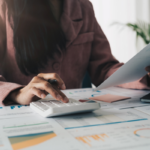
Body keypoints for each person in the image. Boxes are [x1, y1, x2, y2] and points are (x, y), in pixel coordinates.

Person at [0, 0, 149, 106]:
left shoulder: (83, 7)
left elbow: (104, 68)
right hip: (18, 112)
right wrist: (17, 93)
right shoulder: (4, 7)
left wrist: (144, 77)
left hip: (73, 110)